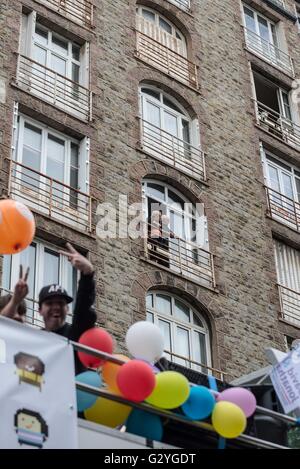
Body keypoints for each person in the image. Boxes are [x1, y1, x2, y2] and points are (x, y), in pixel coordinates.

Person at [38, 242, 97, 374]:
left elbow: (83, 311)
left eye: (60, 303)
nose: (56, 307)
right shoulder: (34, 339)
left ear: (68, 309)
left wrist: (87, 274)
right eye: (49, 303)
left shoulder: (76, 334)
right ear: (40, 310)